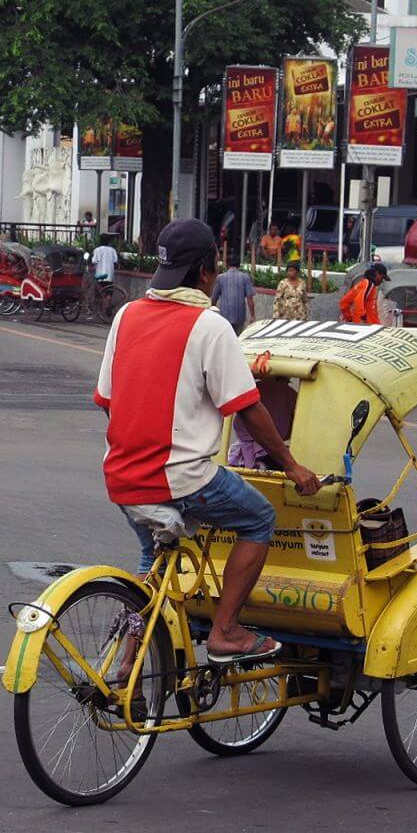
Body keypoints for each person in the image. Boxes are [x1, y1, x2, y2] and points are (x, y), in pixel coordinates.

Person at [95, 218, 321, 664]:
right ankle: (226, 631)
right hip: (182, 478)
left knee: (151, 564)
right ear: (205, 273)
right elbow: (248, 409)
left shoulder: (126, 315)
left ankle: (127, 667)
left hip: (121, 475)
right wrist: (292, 466)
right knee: (258, 518)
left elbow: (107, 400)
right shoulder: (210, 326)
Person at [211, 252, 256, 334]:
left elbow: (214, 298)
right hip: (240, 316)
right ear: (239, 264)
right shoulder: (245, 277)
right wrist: (252, 316)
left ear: (227, 264)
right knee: (237, 339)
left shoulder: (220, 278)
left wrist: (212, 312)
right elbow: (250, 299)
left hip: (224, 316)